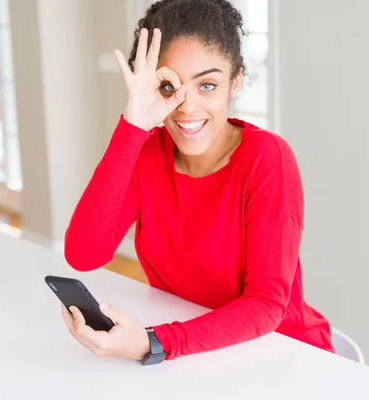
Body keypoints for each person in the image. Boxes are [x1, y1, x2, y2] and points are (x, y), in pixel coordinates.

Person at [61, 0, 334, 364]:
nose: (187, 107)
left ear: (235, 83)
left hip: (283, 353)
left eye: (207, 85)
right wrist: (133, 125)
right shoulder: (147, 152)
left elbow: (266, 306)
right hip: (195, 352)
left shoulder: (268, 159)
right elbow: (83, 255)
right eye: (170, 86)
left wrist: (154, 343)